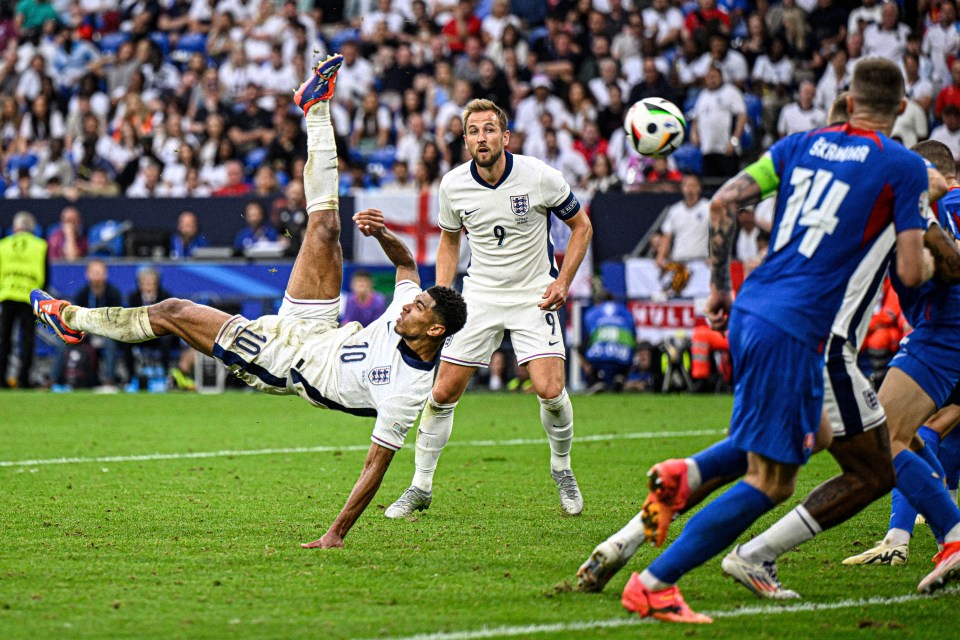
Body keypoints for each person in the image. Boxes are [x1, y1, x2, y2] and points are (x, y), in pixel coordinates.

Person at [32, 55, 467, 550]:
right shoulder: (409, 311)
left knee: (174, 311)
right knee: (326, 227)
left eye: (418, 310)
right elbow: (408, 268)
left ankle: (69, 318)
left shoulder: (408, 391)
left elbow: (374, 467)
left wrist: (335, 534)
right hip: (319, 327)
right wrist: (385, 236)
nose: (406, 306)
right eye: (413, 304)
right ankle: (315, 107)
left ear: (434, 332)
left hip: (285, 362)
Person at [579, 58, 934, 623]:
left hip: (752, 307)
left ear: (846, 100)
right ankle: (654, 583)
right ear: (903, 106)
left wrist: (719, 287)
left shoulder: (798, 145)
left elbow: (724, 201)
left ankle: (682, 478)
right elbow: (913, 274)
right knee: (772, 481)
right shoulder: (902, 164)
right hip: (797, 327)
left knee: (812, 434)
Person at [383, 98, 593, 519]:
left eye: (489, 129)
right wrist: (442, 295)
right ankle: (420, 486)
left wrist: (563, 281)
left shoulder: (539, 176)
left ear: (505, 137)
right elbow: (448, 239)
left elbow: (581, 226)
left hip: (535, 294)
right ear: (465, 141)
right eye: (474, 131)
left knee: (551, 391)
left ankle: (562, 468)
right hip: (479, 296)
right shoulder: (453, 185)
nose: (483, 138)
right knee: (442, 393)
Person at [0, 211, 47, 389]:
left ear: (14, 227)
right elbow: (45, 274)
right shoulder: (40, 245)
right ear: (33, 229)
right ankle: (23, 380)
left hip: (7, 295)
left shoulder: (3, 244)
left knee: (4, 340)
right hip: (29, 297)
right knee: (27, 341)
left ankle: (1, 379)